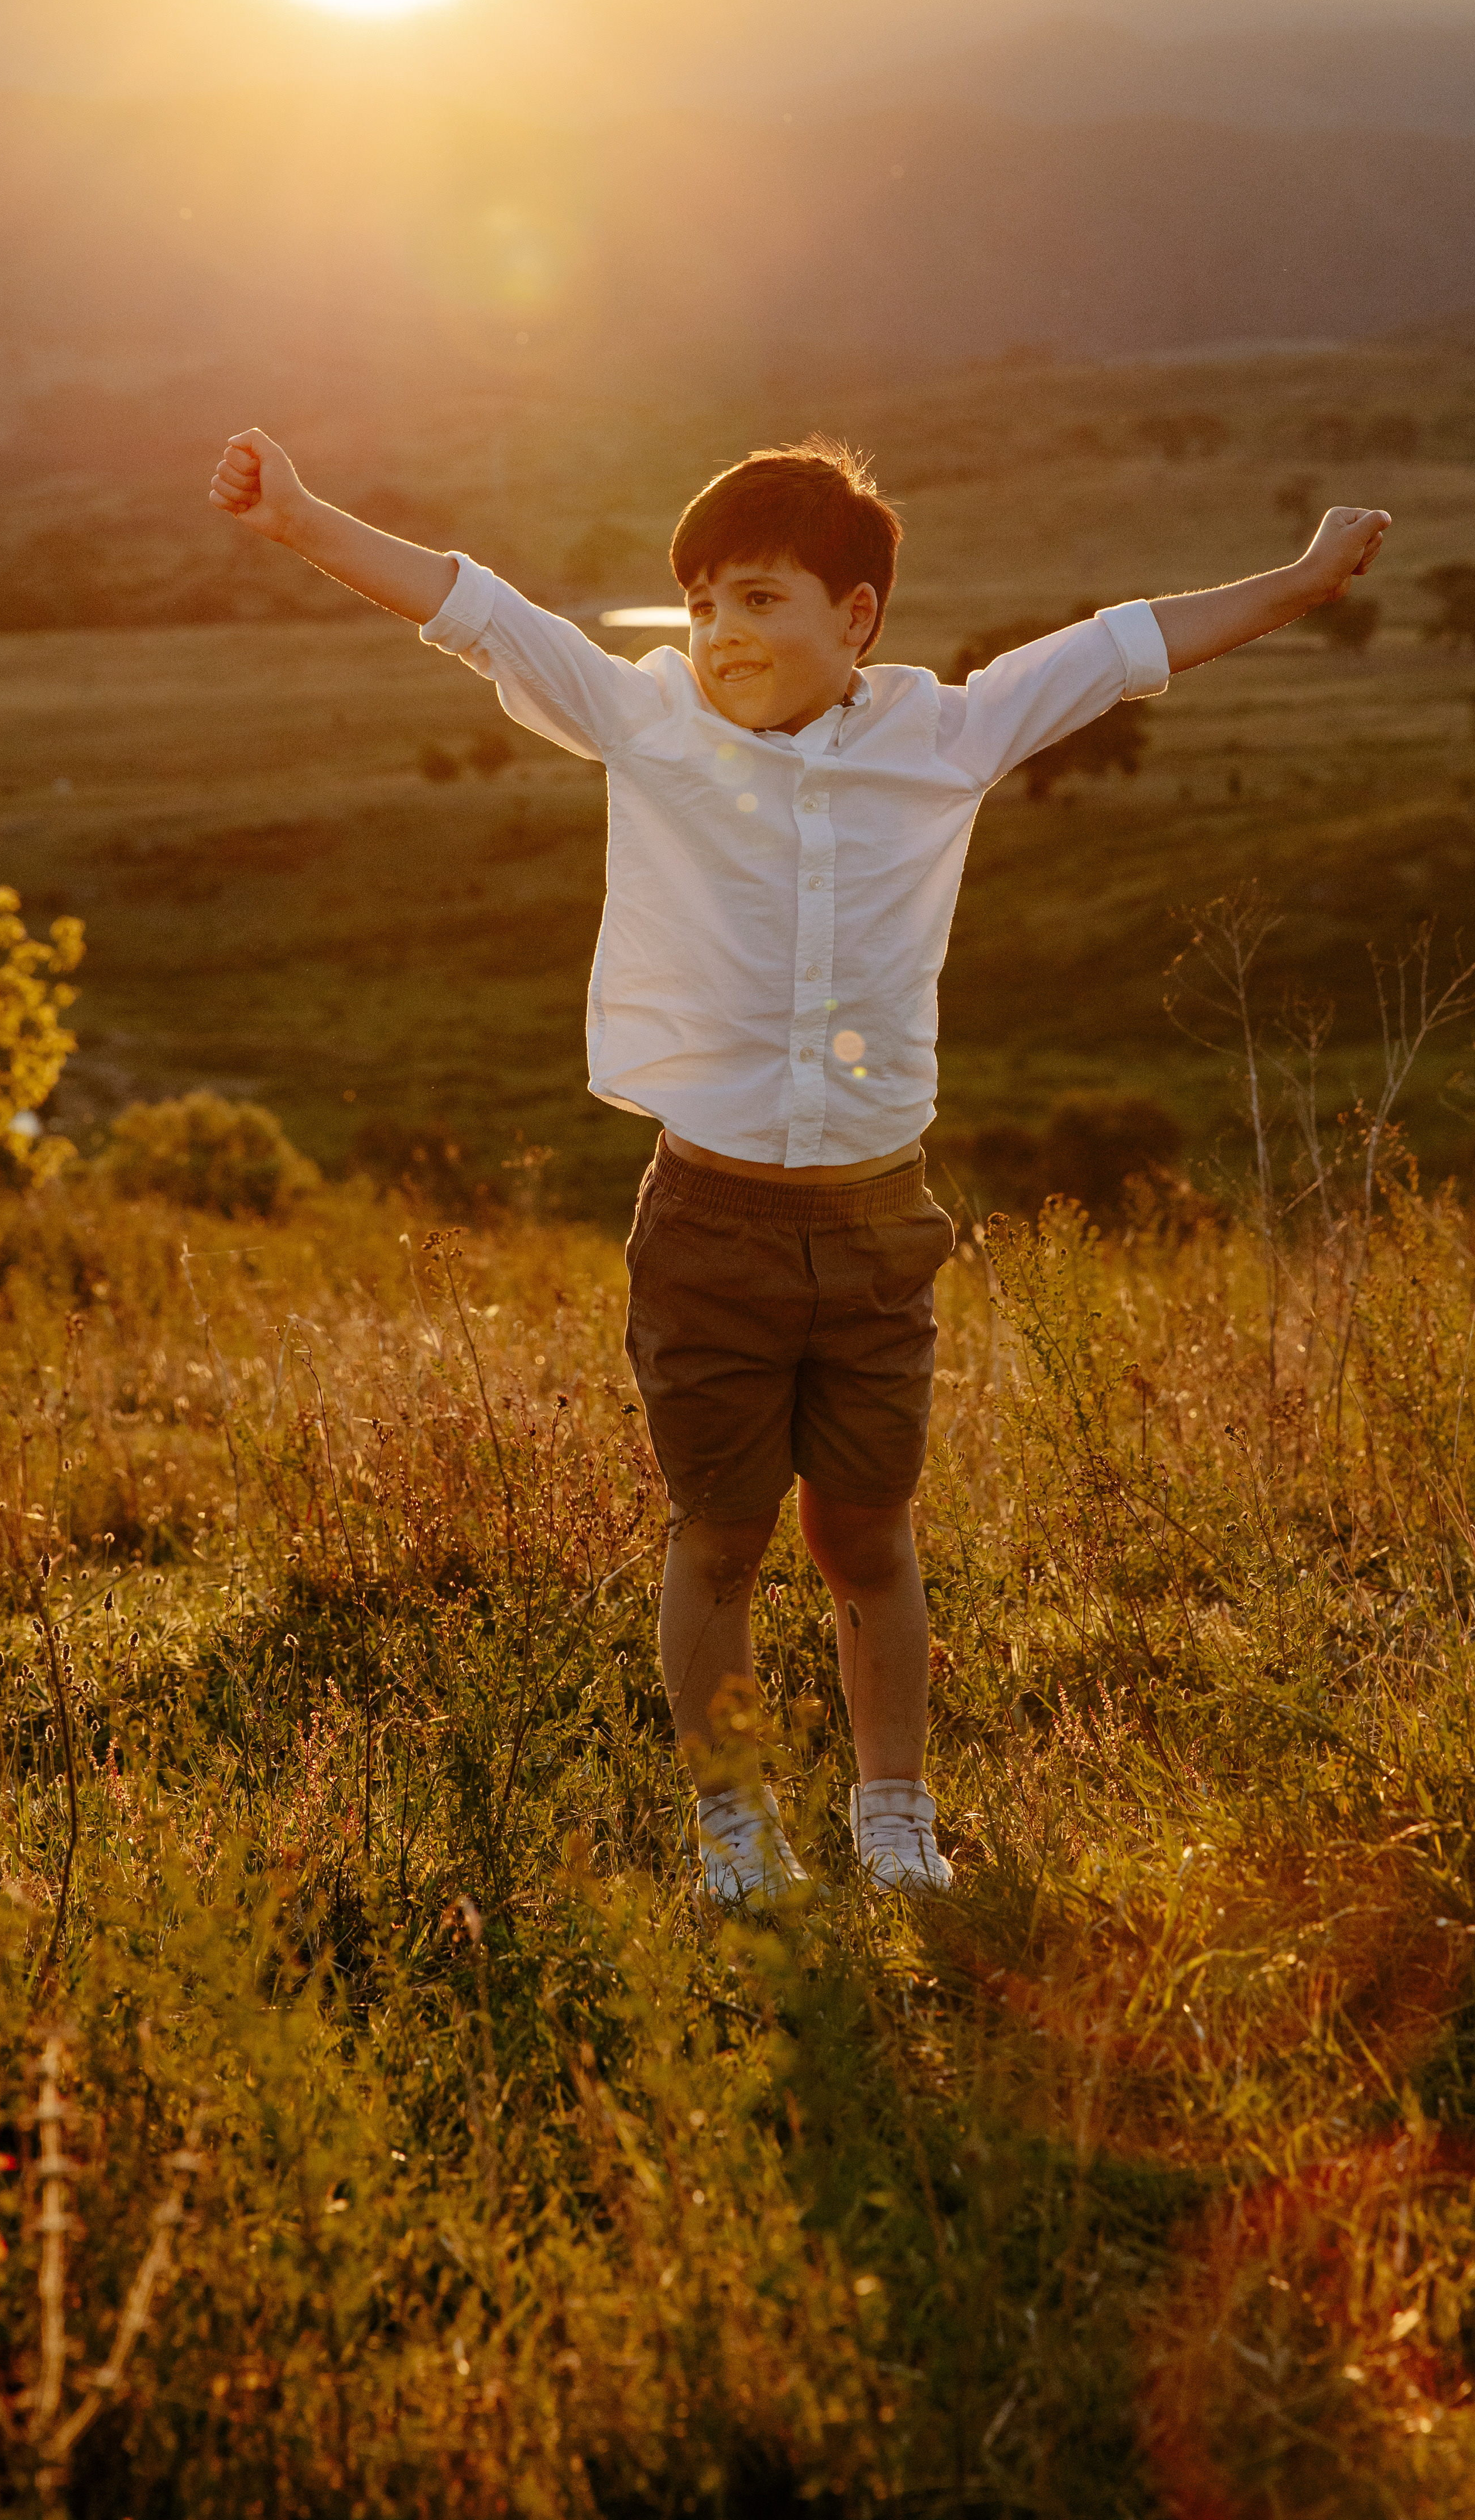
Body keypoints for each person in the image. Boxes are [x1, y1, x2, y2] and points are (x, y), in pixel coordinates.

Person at [209, 427, 1388, 1907]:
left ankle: (894, 1822)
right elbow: (478, 609)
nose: (719, 634)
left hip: (882, 1225)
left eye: (759, 599)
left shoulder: (946, 734)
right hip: (709, 1218)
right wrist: (306, 517)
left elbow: (1128, 646)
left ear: (858, 619)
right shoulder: (648, 724)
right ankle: (733, 1829)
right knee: (718, 1538)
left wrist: (1303, 576)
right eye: (700, 603)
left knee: (869, 1536)